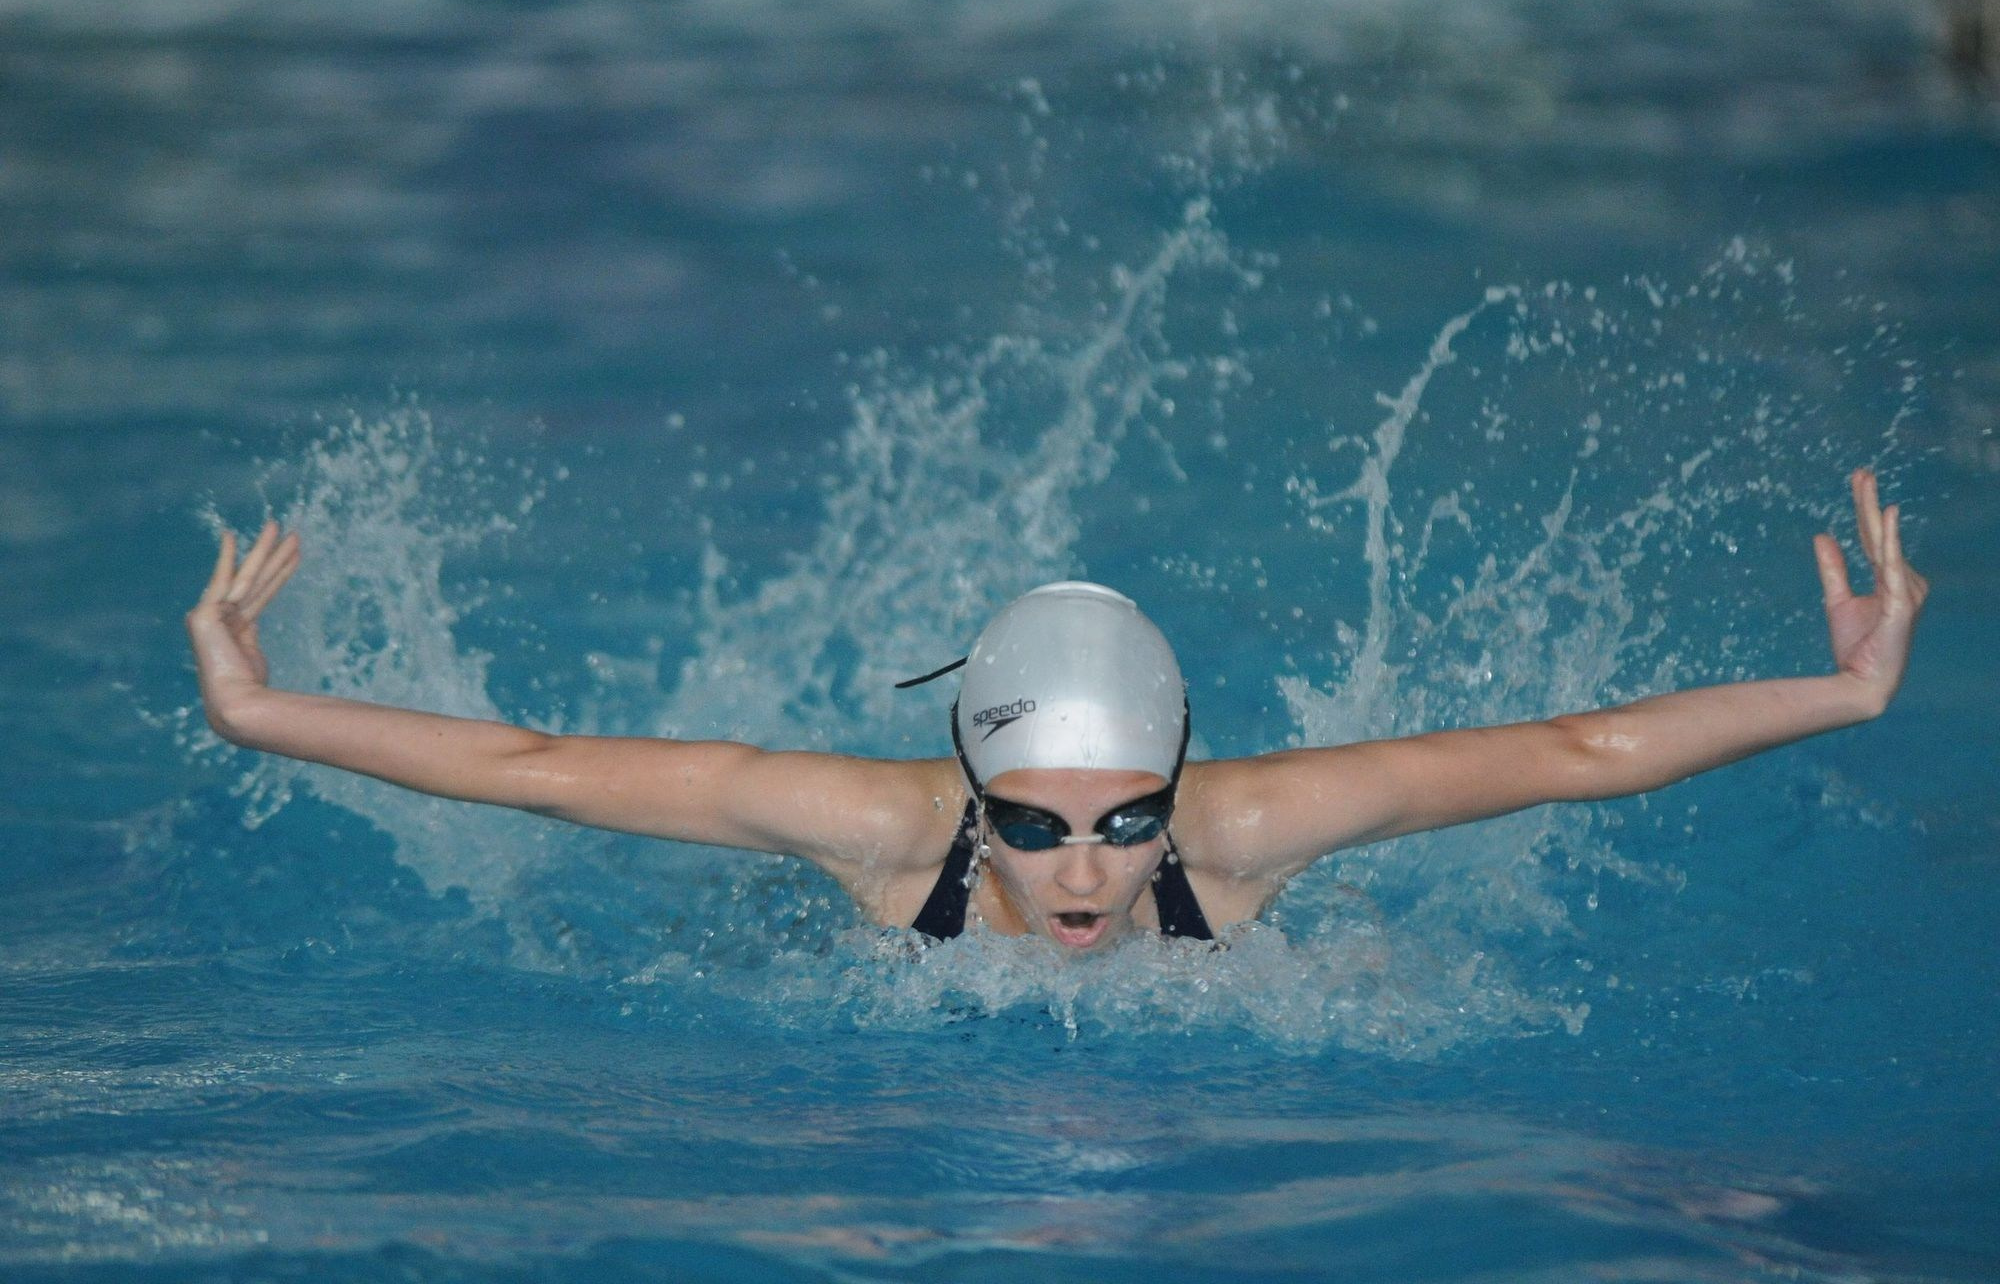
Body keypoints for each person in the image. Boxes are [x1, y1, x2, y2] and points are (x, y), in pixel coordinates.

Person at [186, 469, 1926, 952]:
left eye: (1120, 821)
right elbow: (540, 771)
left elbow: (1576, 757)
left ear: (1180, 786)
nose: (1082, 873)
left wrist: (1849, 693)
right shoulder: (883, 834)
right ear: (969, 792)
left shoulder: (1237, 842)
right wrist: (263, 717)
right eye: (1029, 828)